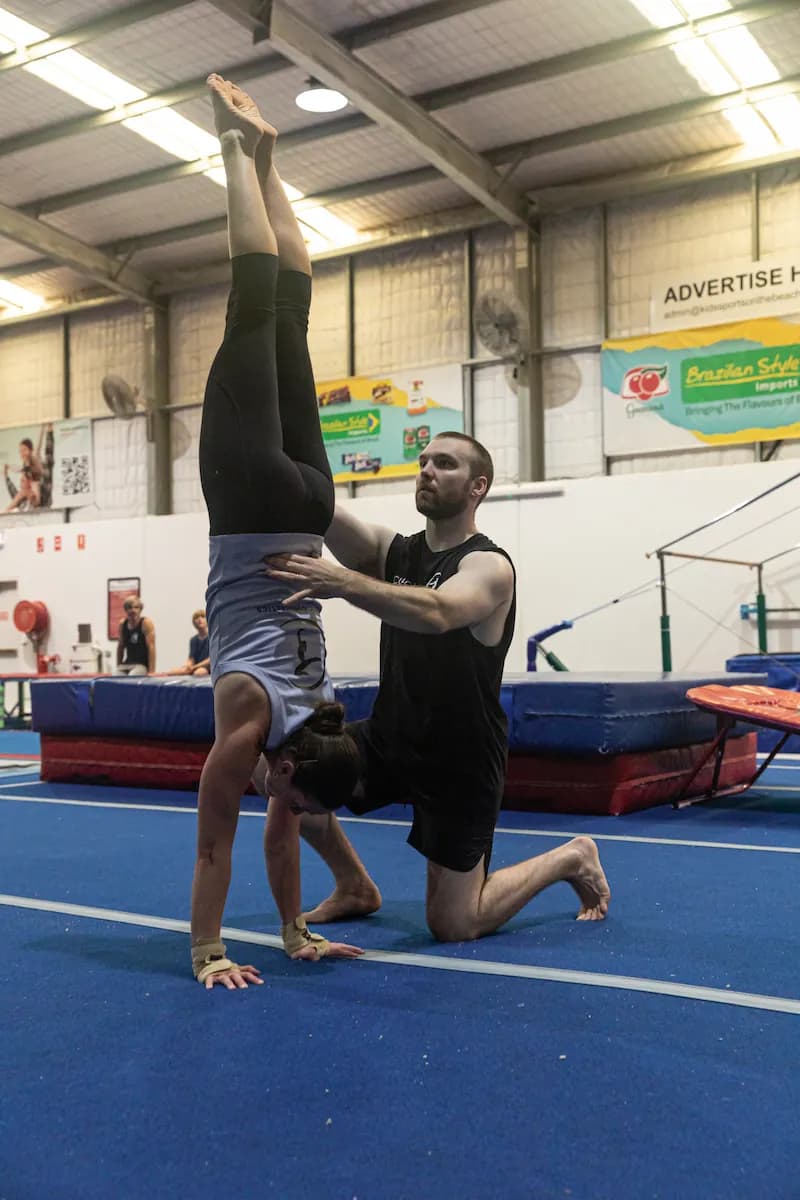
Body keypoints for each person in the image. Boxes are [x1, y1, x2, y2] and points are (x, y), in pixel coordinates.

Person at [265, 432, 611, 943]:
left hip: (460, 760)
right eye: (423, 461)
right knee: (283, 774)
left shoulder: (489, 566)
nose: (426, 469)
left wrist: (343, 582)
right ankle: (355, 886)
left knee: (454, 923)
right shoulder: (396, 551)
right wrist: (292, 469)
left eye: (444, 464)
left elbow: (440, 611)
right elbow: (326, 512)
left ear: (478, 486)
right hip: (390, 736)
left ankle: (570, 856)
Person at [189, 74, 363, 990]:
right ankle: (229, 143)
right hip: (254, 501)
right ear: (290, 763)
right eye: (287, 792)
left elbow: (282, 830)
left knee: (291, 309)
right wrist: (210, 953)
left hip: (309, 503)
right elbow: (215, 849)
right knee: (252, 304)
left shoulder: (323, 716)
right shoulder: (253, 732)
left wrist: (296, 936)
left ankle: (268, 156)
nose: (282, 807)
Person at [115, 595, 155, 676]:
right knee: (116, 677)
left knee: (132, 677)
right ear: (126, 610)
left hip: (141, 665)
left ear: (140, 610)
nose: (133, 610)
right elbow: (120, 647)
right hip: (127, 664)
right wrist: (118, 666)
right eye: (130, 608)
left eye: (136, 607)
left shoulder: (146, 623)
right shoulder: (123, 624)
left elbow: (151, 647)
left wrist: (152, 671)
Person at [168, 609, 211, 676]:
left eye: (202, 617)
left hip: (207, 668)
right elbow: (191, 659)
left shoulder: (212, 638)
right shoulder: (193, 640)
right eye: (196, 618)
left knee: (199, 673)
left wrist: (194, 667)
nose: (199, 619)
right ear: (193, 622)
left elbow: (210, 660)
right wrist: (187, 665)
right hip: (194, 667)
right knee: (172, 672)